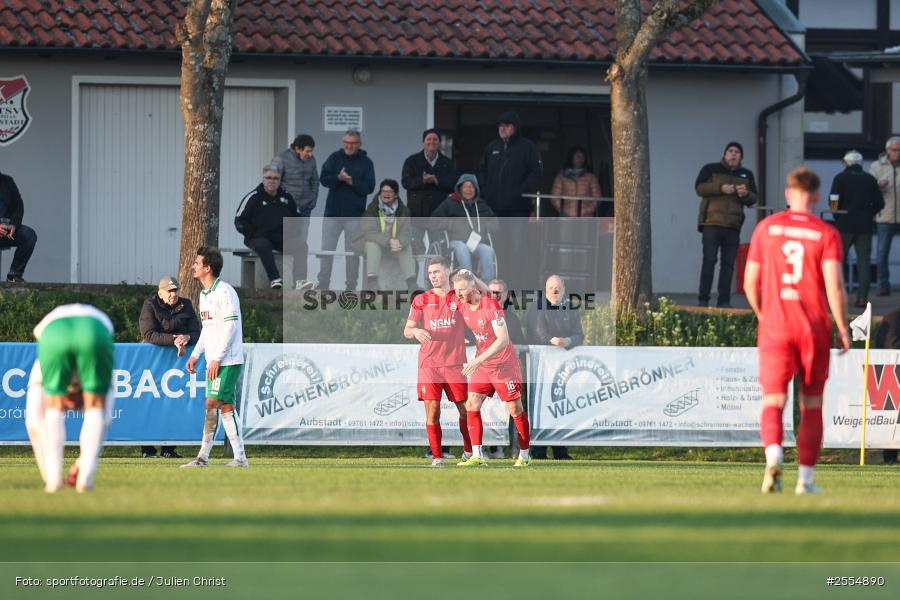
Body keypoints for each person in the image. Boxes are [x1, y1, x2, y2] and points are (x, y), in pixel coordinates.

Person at [744, 166, 850, 495]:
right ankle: (805, 480)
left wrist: (765, 315)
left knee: (773, 399)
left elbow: (749, 283)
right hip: (813, 327)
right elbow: (834, 286)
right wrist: (844, 327)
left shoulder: (766, 228)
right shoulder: (826, 233)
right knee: (812, 404)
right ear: (817, 197)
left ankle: (773, 457)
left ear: (789, 194)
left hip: (776, 325)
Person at [27, 304, 115, 493]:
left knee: (53, 407)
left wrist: (50, 476)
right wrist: (84, 464)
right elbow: (105, 419)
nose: (73, 407)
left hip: (54, 333)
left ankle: (53, 480)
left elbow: (34, 422)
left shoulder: (39, 368)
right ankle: (85, 480)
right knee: (95, 406)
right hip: (95, 331)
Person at [451, 270, 532, 467]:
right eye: (456, 290)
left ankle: (525, 455)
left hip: (504, 364)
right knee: (472, 404)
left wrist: (477, 360)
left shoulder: (491, 306)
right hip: (483, 364)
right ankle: (477, 455)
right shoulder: (461, 303)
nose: (458, 294)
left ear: (473, 288)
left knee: (515, 408)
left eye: (462, 289)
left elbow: (503, 340)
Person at [404, 257, 476, 467]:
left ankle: (469, 450)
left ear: (448, 271)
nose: (433, 276)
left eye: (437, 271)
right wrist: (416, 330)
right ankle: (437, 457)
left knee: (465, 409)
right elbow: (407, 330)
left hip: (455, 364)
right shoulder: (421, 300)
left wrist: (470, 276)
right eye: (430, 273)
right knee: (433, 411)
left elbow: (483, 299)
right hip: (430, 365)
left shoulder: (458, 297)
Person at [182, 246, 249, 468]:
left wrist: (217, 358)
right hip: (215, 360)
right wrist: (195, 355)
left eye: (197, 263)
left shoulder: (225, 292)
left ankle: (203, 457)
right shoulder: (204, 294)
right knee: (225, 407)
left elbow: (231, 326)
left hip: (227, 360)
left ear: (207, 268)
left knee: (211, 403)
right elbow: (208, 330)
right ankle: (240, 458)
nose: (193, 266)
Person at [138, 275, 201, 459]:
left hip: (176, 363)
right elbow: (148, 334)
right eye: (169, 291)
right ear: (160, 293)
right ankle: (147, 450)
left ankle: (168, 449)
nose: (173, 294)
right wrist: (174, 339)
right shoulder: (150, 305)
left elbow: (196, 332)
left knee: (173, 404)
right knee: (150, 403)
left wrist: (187, 338)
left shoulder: (186, 304)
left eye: (176, 290)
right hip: (152, 363)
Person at [478, 111, 543, 288]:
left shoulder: (527, 147)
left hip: (517, 210)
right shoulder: (491, 147)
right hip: (494, 210)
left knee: (517, 249)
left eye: (506, 125)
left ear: (515, 128)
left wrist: (519, 191)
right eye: (500, 125)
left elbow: (536, 174)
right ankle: (497, 288)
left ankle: (516, 287)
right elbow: (482, 171)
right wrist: (486, 191)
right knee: (497, 249)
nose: (502, 128)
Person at [695, 141, 758, 308]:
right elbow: (699, 188)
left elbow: (754, 198)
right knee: (709, 260)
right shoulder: (711, 168)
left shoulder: (747, 174)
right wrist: (720, 188)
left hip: (733, 225)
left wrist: (746, 194)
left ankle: (724, 301)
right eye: (730, 151)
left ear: (741, 157)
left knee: (728, 264)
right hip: (711, 223)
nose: (733, 154)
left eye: (737, 152)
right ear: (725, 154)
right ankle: (703, 299)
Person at [526, 274, 582, 460]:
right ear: (546, 289)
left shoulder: (571, 308)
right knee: (540, 409)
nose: (555, 290)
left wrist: (568, 341)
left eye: (557, 287)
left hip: (564, 369)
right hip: (540, 367)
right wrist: (553, 341)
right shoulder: (537, 307)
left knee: (562, 407)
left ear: (564, 288)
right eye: (551, 288)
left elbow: (579, 335)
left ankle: (561, 451)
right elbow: (538, 333)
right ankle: (538, 450)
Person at [317, 130, 376, 291]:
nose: (348, 146)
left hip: (354, 216)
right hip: (332, 214)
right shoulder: (334, 158)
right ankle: (323, 284)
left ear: (359, 144)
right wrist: (338, 178)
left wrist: (351, 181)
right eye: (346, 143)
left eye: (352, 143)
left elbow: (369, 187)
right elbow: (323, 179)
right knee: (327, 251)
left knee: (353, 253)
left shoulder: (366, 162)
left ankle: (351, 286)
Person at [829, 150, 884, 307]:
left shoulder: (840, 177)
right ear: (861, 164)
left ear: (845, 163)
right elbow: (880, 203)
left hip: (844, 225)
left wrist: (836, 214)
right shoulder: (870, 179)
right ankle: (862, 298)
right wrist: (869, 213)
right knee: (864, 263)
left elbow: (834, 198)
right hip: (865, 226)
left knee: (839, 261)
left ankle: (839, 296)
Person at [234, 165, 303, 289]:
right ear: (263, 179)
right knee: (264, 245)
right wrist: (252, 234)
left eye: (276, 178)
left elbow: (297, 218)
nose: (272, 181)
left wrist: (294, 233)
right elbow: (239, 220)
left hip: (281, 238)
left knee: (301, 245)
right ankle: (275, 279)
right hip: (258, 238)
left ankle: (300, 281)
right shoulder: (253, 196)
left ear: (280, 180)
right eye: (269, 178)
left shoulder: (287, 197)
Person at [270, 133, 318, 291]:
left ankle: (299, 281)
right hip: (286, 211)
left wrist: (312, 201)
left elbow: (315, 181)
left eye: (311, 152)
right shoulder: (281, 159)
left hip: (304, 210)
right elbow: (272, 180)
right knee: (287, 243)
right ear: (297, 148)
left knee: (302, 243)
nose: (309, 155)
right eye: (307, 151)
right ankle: (283, 279)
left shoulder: (311, 161)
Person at [429, 174, 499, 282]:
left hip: (475, 242)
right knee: (462, 248)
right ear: (460, 188)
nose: (468, 190)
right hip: (456, 241)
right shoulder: (450, 202)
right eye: (465, 187)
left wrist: (485, 227)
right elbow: (433, 221)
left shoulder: (481, 204)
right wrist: (451, 224)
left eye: (471, 186)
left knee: (488, 250)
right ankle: (468, 281)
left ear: (476, 189)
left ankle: (486, 284)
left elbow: (495, 222)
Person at [351, 179, 417, 292]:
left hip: (393, 246)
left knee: (406, 247)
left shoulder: (403, 211)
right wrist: (388, 240)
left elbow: (406, 233)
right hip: (376, 244)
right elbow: (369, 232)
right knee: (372, 245)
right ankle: (372, 282)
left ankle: (411, 284)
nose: (386, 194)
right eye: (383, 191)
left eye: (390, 192)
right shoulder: (372, 209)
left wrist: (399, 241)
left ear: (396, 195)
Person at [401, 128, 457, 253]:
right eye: (429, 139)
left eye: (435, 139)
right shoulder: (412, 161)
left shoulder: (447, 163)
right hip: (416, 214)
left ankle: (434, 273)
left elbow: (453, 183)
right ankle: (413, 273)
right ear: (423, 142)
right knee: (413, 251)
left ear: (439, 143)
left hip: (438, 214)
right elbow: (406, 182)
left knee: (438, 251)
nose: (432, 142)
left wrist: (437, 180)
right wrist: (422, 180)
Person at [486, 278, 524, 459]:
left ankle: (514, 451)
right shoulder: (479, 314)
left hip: (506, 372)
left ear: (506, 295)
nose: (495, 295)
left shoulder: (513, 319)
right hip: (484, 371)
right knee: (479, 407)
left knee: (512, 409)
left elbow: (521, 344)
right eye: (492, 292)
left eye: (499, 292)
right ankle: (480, 449)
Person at [869, 136, 900, 296]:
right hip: (884, 216)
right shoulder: (877, 166)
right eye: (895, 150)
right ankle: (883, 285)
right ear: (888, 151)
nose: (898, 153)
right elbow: (867, 188)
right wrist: (877, 185)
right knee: (882, 253)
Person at [0, 171, 38, 283]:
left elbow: (18, 205)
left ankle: (14, 275)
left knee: (29, 235)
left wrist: (13, 224)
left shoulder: (6, 181)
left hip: (6, 230)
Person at [874, 305, 900, 464]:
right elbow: (891, 345)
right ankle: (890, 457)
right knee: (892, 418)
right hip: (890, 375)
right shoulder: (893, 319)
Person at [551, 146, 603, 217]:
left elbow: (597, 197)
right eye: (577, 156)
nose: (580, 159)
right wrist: (563, 211)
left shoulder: (591, 177)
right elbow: (554, 197)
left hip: (586, 218)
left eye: (582, 156)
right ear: (571, 157)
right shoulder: (561, 177)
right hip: (566, 218)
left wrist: (586, 210)